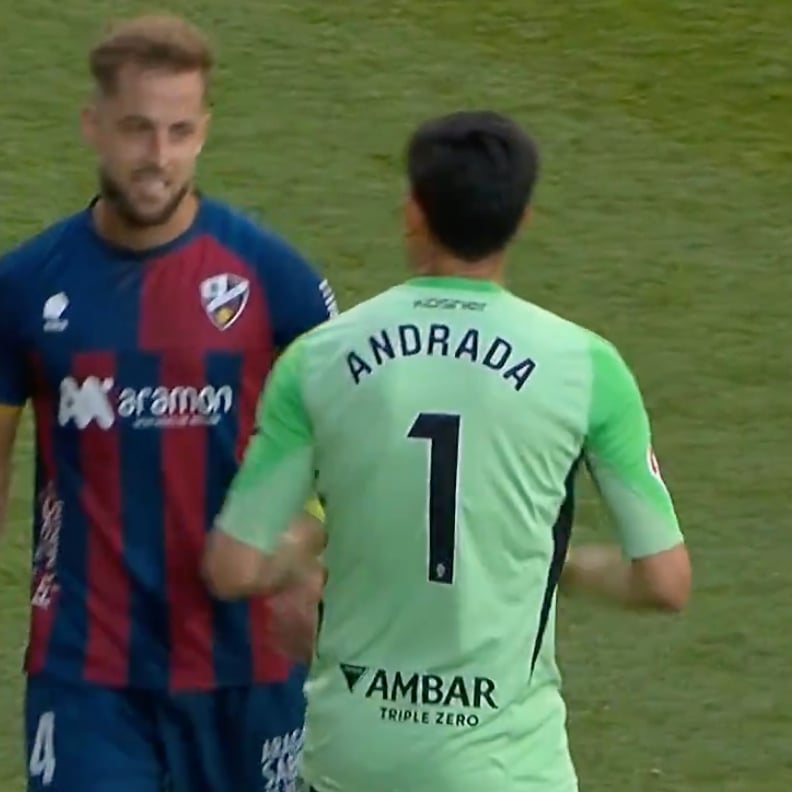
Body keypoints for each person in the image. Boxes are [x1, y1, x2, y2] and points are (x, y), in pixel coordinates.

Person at [203, 110, 692, 791]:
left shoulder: (319, 360)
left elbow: (234, 568)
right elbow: (664, 582)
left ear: (413, 212)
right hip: (510, 772)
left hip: (355, 764)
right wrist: (556, 565)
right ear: (523, 219)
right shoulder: (586, 367)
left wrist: (326, 533)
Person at [0, 14, 335, 792]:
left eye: (180, 132)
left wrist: (311, 549)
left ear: (204, 130)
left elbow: (360, 441)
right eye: (137, 129)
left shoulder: (274, 279)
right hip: (88, 675)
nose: (158, 156)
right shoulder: (25, 286)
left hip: (250, 664)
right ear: (93, 125)